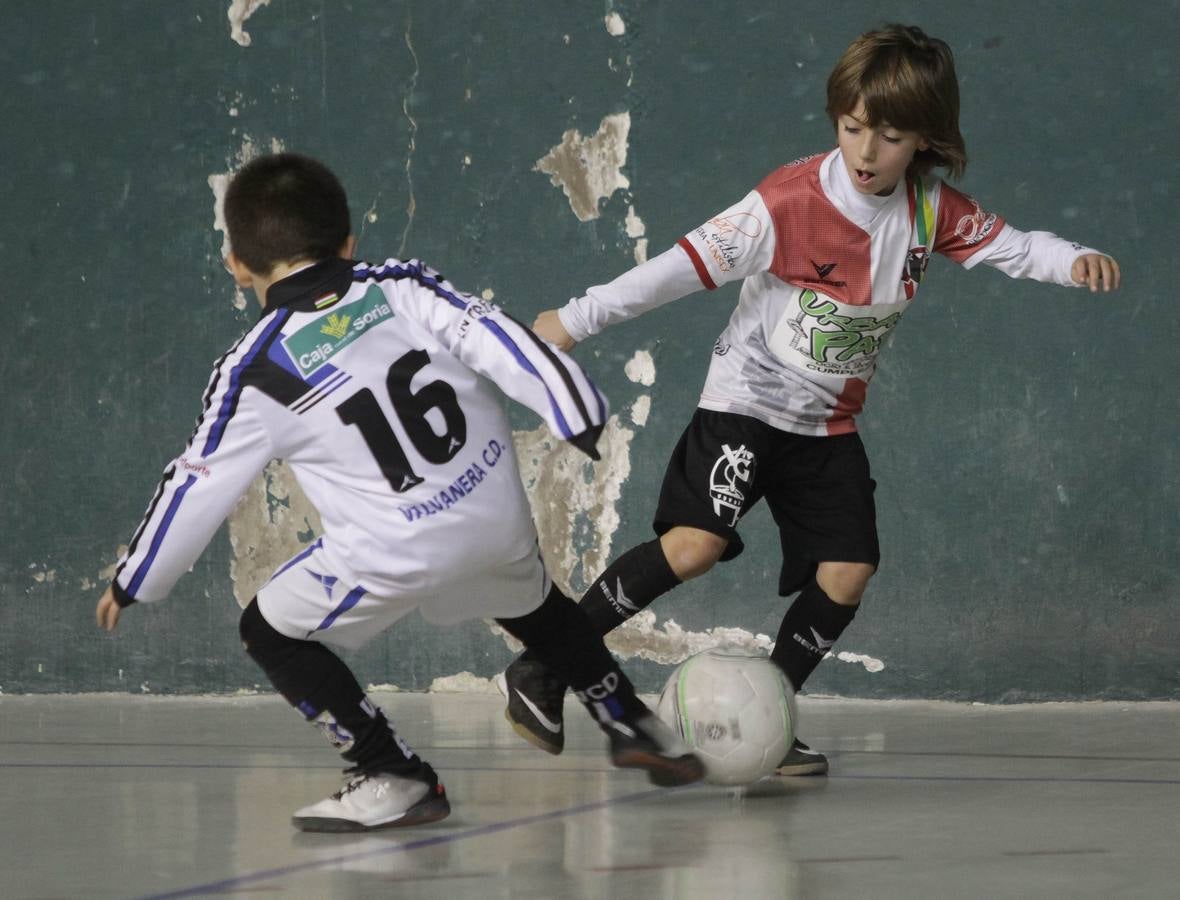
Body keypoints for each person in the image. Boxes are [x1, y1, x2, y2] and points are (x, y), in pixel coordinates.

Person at [500, 23, 1122, 775]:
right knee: (692, 547)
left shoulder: (932, 211)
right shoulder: (787, 202)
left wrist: (1076, 259)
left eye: (888, 136)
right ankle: (543, 667)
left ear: (924, 138)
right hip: (745, 405)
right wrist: (574, 319)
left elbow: (1017, 248)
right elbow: (677, 267)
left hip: (826, 425)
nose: (865, 151)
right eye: (852, 127)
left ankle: (771, 713)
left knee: (847, 570)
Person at [95, 152, 704, 833]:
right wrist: (576, 411)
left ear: (237, 264)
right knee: (534, 605)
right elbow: (501, 339)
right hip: (494, 520)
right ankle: (633, 722)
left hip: (393, 550)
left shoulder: (256, 370)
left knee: (269, 630)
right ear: (348, 243)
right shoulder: (404, 286)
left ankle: (391, 772)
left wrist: (137, 578)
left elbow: (197, 482)